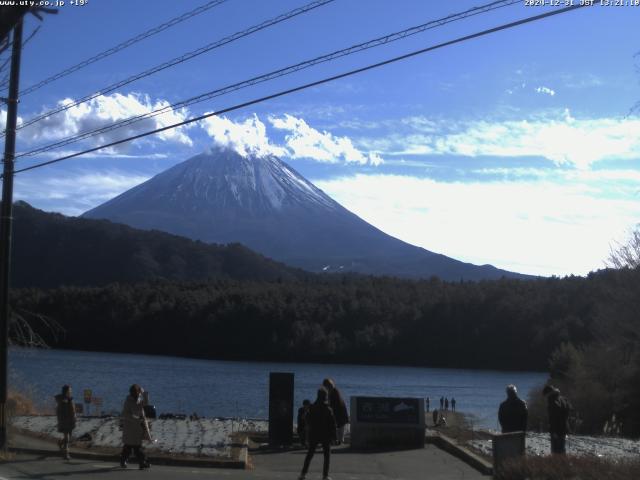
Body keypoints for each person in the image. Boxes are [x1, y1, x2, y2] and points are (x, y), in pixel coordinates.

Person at [298, 388, 337, 480]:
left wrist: (308, 432)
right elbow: (332, 424)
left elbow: (307, 419)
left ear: (318, 395)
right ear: (325, 396)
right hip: (325, 435)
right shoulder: (328, 409)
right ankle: (325, 476)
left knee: (310, 454)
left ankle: (303, 474)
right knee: (327, 455)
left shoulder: (312, 407)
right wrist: (334, 437)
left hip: (314, 434)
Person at [120, 384, 151, 469]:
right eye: (138, 392)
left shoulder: (139, 400)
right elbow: (125, 414)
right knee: (131, 447)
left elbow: (146, 403)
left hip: (137, 428)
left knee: (133, 446)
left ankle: (141, 462)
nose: (139, 393)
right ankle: (141, 462)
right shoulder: (128, 401)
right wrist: (137, 419)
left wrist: (144, 392)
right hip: (130, 427)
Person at [543, 385, 572, 454]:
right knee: (562, 449)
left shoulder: (552, 401)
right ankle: (563, 463)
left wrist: (553, 431)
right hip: (564, 427)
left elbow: (553, 418)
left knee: (555, 451)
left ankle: (557, 464)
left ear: (548, 393)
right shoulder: (563, 398)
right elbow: (570, 409)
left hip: (557, 430)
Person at [322, 378, 349, 445]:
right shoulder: (333, 391)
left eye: (325, 386)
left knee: (339, 426)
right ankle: (339, 440)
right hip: (340, 412)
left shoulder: (333, 392)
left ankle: (338, 441)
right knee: (340, 426)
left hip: (339, 412)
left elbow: (333, 403)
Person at [54, 385, 76, 461]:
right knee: (67, 438)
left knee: (69, 437)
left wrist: (74, 418)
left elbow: (73, 411)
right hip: (64, 422)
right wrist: (62, 420)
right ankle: (66, 454)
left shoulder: (70, 399)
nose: (70, 392)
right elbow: (59, 412)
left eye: (71, 391)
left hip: (70, 421)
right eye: (69, 391)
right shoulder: (62, 401)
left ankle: (60, 443)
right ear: (65, 391)